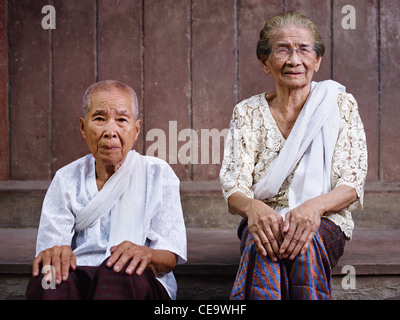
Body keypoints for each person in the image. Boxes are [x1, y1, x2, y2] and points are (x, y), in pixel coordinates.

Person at [219, 12, 367, 300]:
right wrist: (253, 209)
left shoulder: (339, 104)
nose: (294, 60)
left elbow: (351, 183)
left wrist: (314, 209)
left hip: (325, 220)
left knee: (306, 241)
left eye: (303, 49)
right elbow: (233, 185)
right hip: (264, 220)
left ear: (317, 60)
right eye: (282, 49)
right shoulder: (247, 112)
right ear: (265, 62)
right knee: (265, 241)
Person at [26, 80, 187, 300]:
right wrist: (55, 255)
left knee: (118, 271)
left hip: (133, 277)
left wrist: (146, 254)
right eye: (100, 119)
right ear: (83, 127)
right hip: (78, 273)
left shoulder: (158, 174)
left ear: (136, 129)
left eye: (121, 120)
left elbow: (170, 257)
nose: (110, 131)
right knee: (48, 276)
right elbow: (51, 250)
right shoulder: (66, 178)